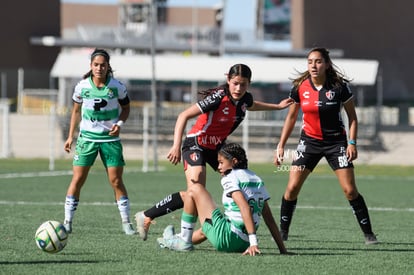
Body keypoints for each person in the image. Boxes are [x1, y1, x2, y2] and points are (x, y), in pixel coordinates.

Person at [135, 64, 293, 240]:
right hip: (196, 143)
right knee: (196, 189)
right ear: (228, 80)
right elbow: (183, 116)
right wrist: (175, 145)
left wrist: (278, 107)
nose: (239, 88)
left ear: (249, 84)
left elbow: (252, 105)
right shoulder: (218, 97)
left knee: (238, 178)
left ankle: (155, 219)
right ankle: (176, 232)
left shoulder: (244, 99)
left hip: (217, 148)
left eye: (243, 84)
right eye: (235, 83)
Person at [273, 47, 378, 244]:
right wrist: (281, 145)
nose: (314, 65)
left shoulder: (339, 87)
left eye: (318, 61)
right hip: (309, 142)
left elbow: (353, 118)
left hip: (336, 143)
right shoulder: (299, 87)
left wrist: (352, 143)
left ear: (327, 64)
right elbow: (291, 117)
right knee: (292, 187)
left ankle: (369, 234)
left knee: (349, 190)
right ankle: (283, 231)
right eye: (310, 62)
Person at [157, 143, 288, 255]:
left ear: (234, 161)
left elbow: (244, 207)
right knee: (207, 229)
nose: (218, 167)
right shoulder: (257, 179)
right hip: (244, 243)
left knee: (195, 189)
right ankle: (175, 239)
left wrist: (254, 244)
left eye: (221, 162)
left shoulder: (231, 177)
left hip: (229, 238)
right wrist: (282, 249)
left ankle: (184, 241)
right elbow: (269, 219)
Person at [62, 48, 135, 235]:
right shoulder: (81, 87)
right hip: (86, 139)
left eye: (103, 65)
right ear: (91, 66)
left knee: (116, 181)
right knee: (78, 179)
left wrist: (119, 123)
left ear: (108, 66)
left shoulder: (117, 87)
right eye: (96, 65)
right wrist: (71, 136)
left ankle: (126, 222)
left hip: (110, 140)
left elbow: (126, 109)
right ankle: (67, 222)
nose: (99, 68)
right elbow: (76, 112)